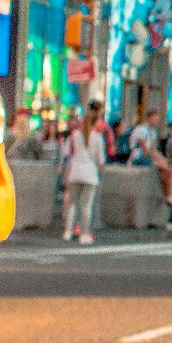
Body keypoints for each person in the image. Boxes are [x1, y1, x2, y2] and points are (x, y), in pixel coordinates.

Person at [61, 103, 106, 245]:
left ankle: (68, 230)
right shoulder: (98, 138)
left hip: (76, 171)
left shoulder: (75, 135)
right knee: (86, 205)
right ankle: (84, 233)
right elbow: (101, 160)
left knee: (72, 203)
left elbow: (69, 153)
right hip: (90, 173)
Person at [127, 109, 172, 200]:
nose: (157, 121)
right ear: (149, 118)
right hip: (138, 157)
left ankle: (168, 193)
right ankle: (168, 194)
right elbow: (145, 150)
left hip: (148, 156)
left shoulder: (153, 132)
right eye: (155, 119)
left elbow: (153, 150)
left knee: (169, 169)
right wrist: (161, 160)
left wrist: (163, 160)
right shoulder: (141, 129)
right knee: (166, 168)